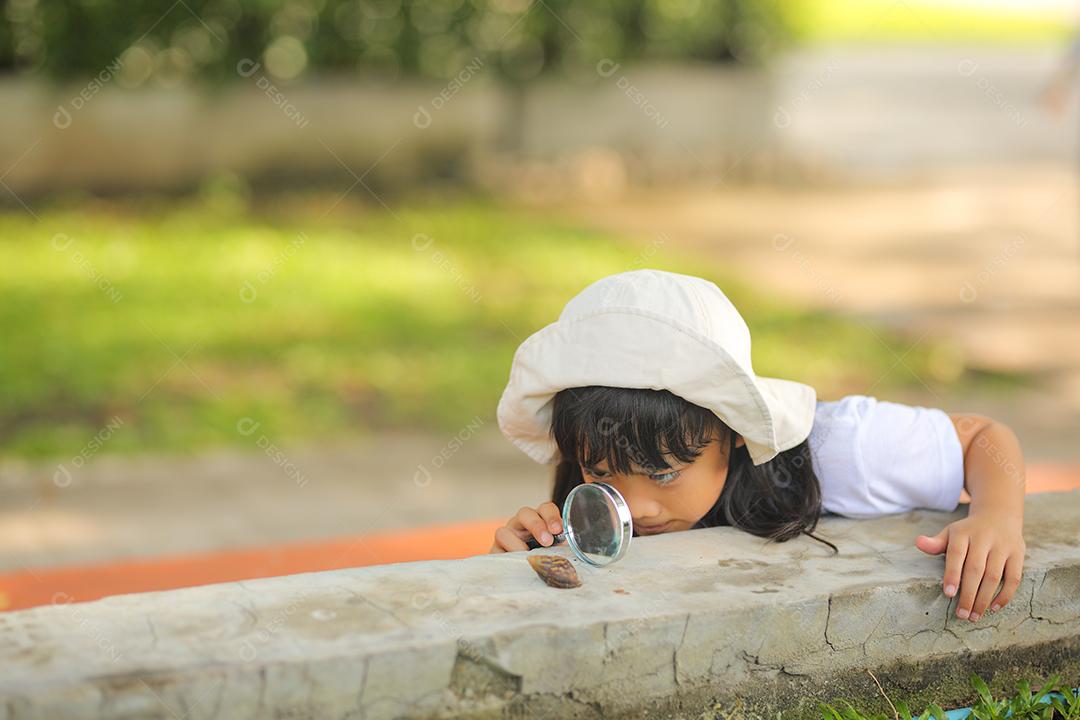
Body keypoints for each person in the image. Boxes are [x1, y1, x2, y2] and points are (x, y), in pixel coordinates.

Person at [490, 269, 1026, 626]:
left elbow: (982, 436)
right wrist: (524, 557)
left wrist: (997, 518)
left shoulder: (842, 448)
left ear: (737, 430)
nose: (635, 506)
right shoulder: (591, 494)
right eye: (600, 472)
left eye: (664, 474)